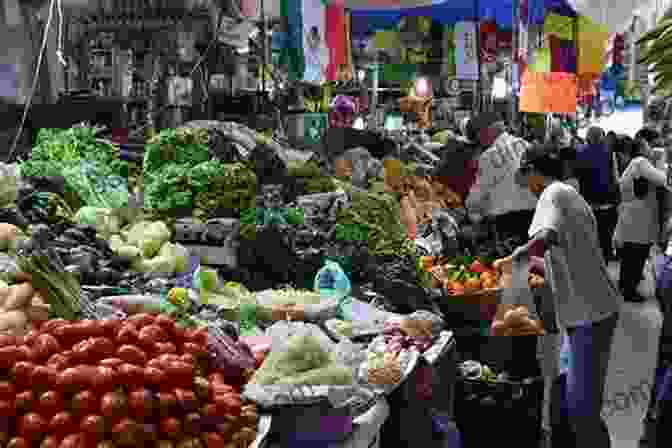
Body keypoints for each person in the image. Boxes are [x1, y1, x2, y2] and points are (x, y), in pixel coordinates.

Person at [511, 142, 622, 448]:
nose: (526, 186)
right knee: (565, 401)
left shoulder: (553, 193)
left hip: (591, 315)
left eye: (525, 177)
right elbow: (562, 249)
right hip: (585, 312)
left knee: (581, 411)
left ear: (534, 171)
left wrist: (513, 261)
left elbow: (545, 237)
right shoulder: (568, 194)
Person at [465, 112, 537, 243]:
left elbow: (479, 194)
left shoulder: (489, 156)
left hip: (507, 222)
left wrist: (471, 210)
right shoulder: (527, 145)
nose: (480, 142)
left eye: (478, 137)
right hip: (534, 215)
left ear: (485, 132)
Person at [613, 138, 662, 303]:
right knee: (636, 254)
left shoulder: (634, 163)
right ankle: (629, 290)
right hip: (638, 217)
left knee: (630, 255)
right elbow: (662, 179)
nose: (651, 149)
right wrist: (660, 161)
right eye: (648, 146)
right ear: (641, 149)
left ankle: (625, 286)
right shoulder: (641, 162)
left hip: (632, 216)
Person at [574, 127, 620, 261]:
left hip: (587, 203)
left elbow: (577, 178)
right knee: (606, 238)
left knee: (589, 238)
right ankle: (605, 263)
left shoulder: (580, 153)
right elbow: (615, 178)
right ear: (602, 138)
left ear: (588, 138)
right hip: (607, 203)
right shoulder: (609, 154)